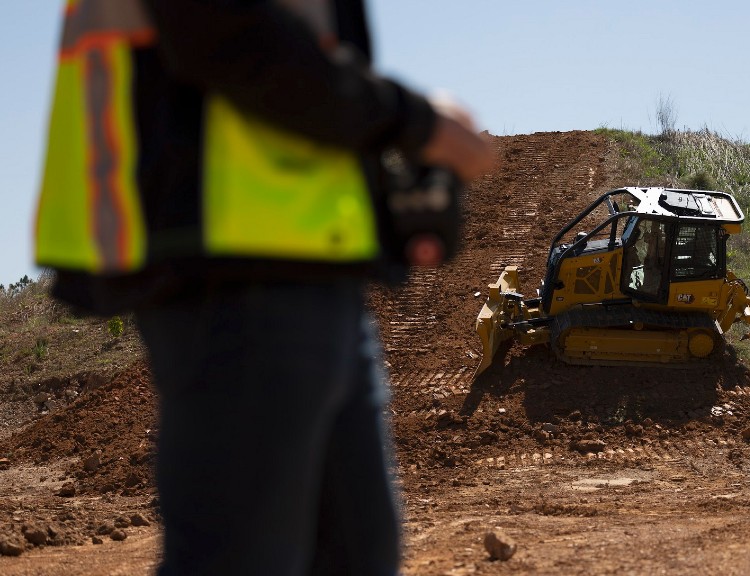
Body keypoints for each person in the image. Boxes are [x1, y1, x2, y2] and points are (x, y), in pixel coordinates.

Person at [34, 1, 494, 574]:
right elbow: (230, 37)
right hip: (229, 270)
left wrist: (384, 191)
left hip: (313, 269)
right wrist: (414, 122)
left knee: (358, 553)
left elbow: (295, 68)